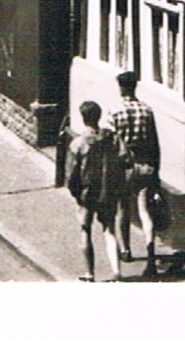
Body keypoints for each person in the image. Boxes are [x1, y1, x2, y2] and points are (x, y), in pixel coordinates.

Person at [65, 101, 127, 282]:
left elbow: (71, 174)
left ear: (83, 117)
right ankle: (117, 272)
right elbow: (125, 158)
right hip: (108, 190)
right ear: (98, 116)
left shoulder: (78, 144)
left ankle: (90, 273)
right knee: (110, 230)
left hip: (86, 193)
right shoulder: (112, 138)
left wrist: (76, 193)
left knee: (85, 229)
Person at [110, 70, 162, 277]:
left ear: (120, 87)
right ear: (135, 87)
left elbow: (112, 142)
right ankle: (150, 253)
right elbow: (155, 143)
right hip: (146, 165)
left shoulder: (114, 110)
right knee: (144, 210)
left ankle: (126, 250)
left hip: (124, 167)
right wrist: (156, 171)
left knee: (123, 208)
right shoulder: (147, 111)